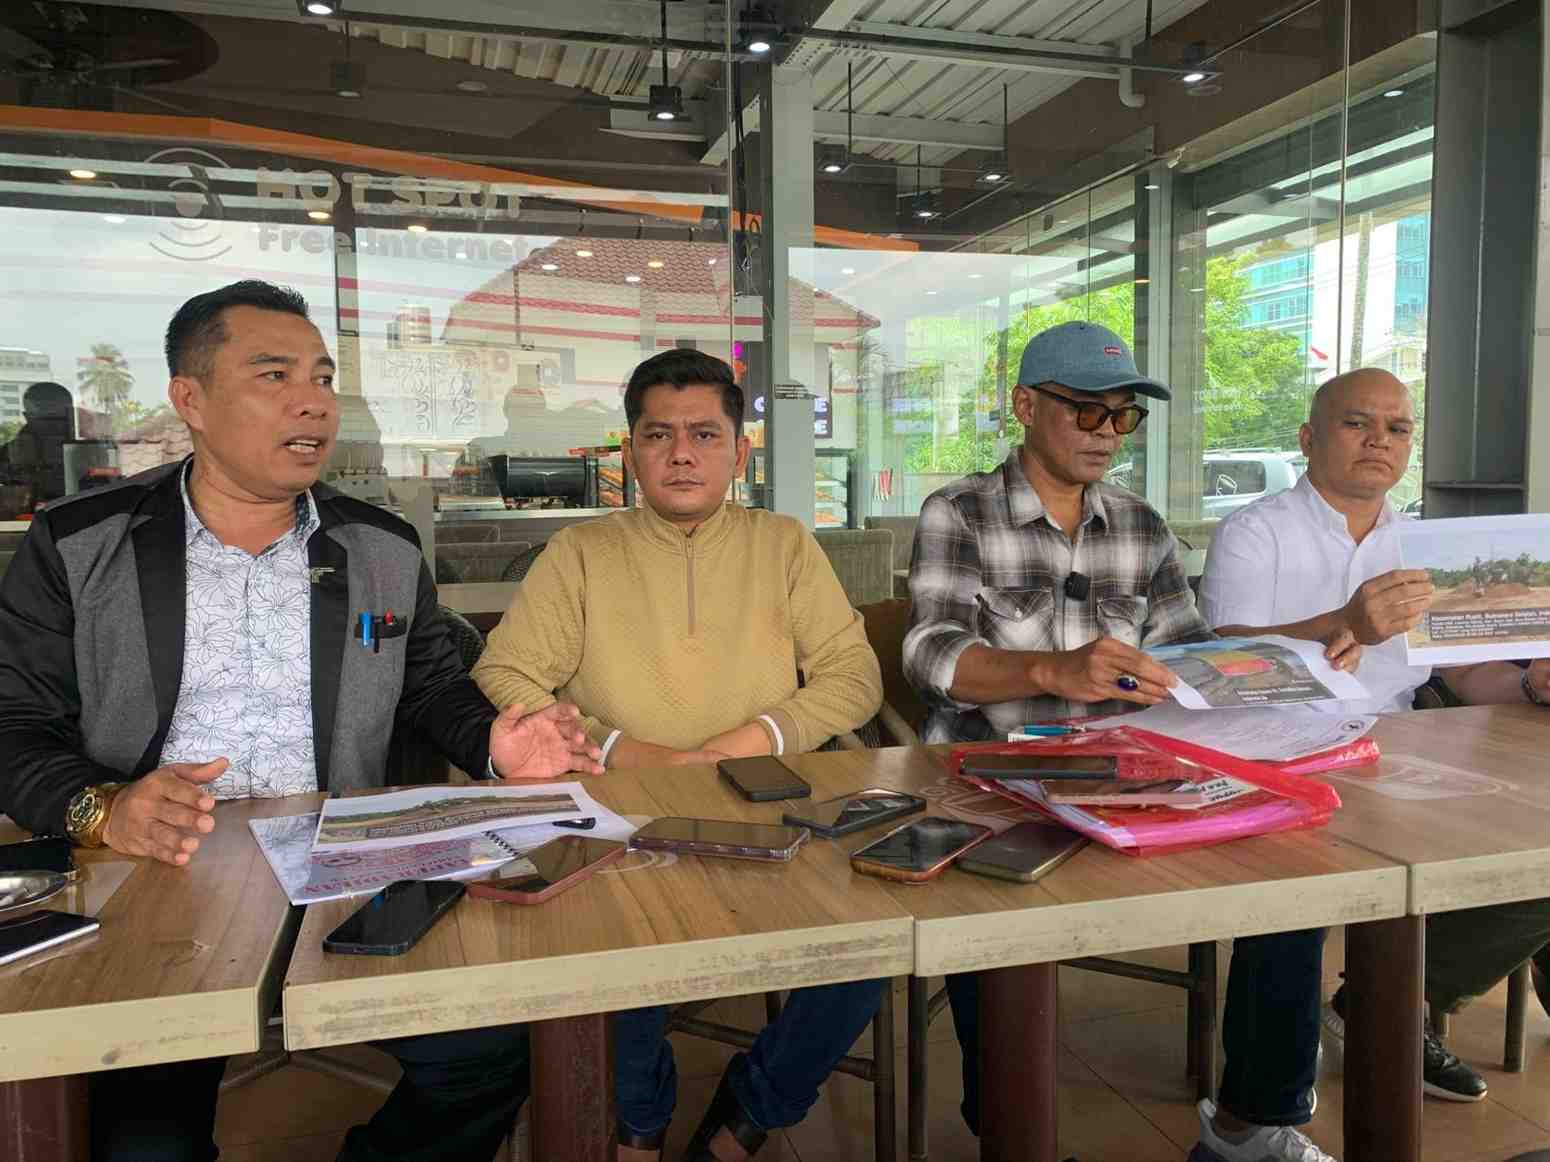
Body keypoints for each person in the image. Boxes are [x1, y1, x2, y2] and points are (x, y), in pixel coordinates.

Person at [0, 280, 603, 1162]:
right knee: (142, 1141)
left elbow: (430, 687)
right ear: (191, 399)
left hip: (345, 860)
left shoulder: (381, 547)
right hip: (157, 870)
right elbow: (13, 720)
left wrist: (492, 742)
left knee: (491, 1054)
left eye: (321, 378)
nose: (313, 402)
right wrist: (105, 806)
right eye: (273, 375)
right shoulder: (80, 541)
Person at [904, 321, 1333, 1162]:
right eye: (1085, 411)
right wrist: (1054, 670)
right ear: (1025, 406)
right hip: (992, 782)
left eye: (1123, 416)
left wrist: (1279, 671)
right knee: (994, 921)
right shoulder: (959, 512)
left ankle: (1252, 1124)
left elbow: (1187, 654)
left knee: (1298, 886)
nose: (1107, 433)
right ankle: (1013, 1137)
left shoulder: (1140, 524)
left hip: (1130, 774)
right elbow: (929, 655)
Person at [472, 348, 883, 1162]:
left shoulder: (784, 545)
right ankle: (639, 1123)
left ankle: (750, 1113)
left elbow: (854, 675)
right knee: (604, 943)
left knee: (866, 946)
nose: (682, 454)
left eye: (704, 434)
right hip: (621, 816)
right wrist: (621, 748)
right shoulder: (580, 552)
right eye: (659, 435)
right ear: (631, 451)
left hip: (769, 808)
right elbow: (504, 671)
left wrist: (743, 743)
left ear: (740, 451)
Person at [1199, 366, 1550, 1120]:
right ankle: (1260, 1117)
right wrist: (1345, 623)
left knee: (1536, 847)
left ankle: (1386, 1001)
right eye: (1357, 423)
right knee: (1294, 902)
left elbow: (1465, 672)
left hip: (1399, 746)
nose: (1379, 441)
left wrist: (1530, 684)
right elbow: (1225, 660)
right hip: (1276, 751)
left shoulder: (1424, 543)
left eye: (1398, 428)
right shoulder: (1256, 531)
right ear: (1308, 438)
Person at [0, 380, 74, 516]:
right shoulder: (9, 453)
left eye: (58, 419)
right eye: (45, 419)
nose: (54, 427)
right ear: (28, 416)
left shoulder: (87, 450)